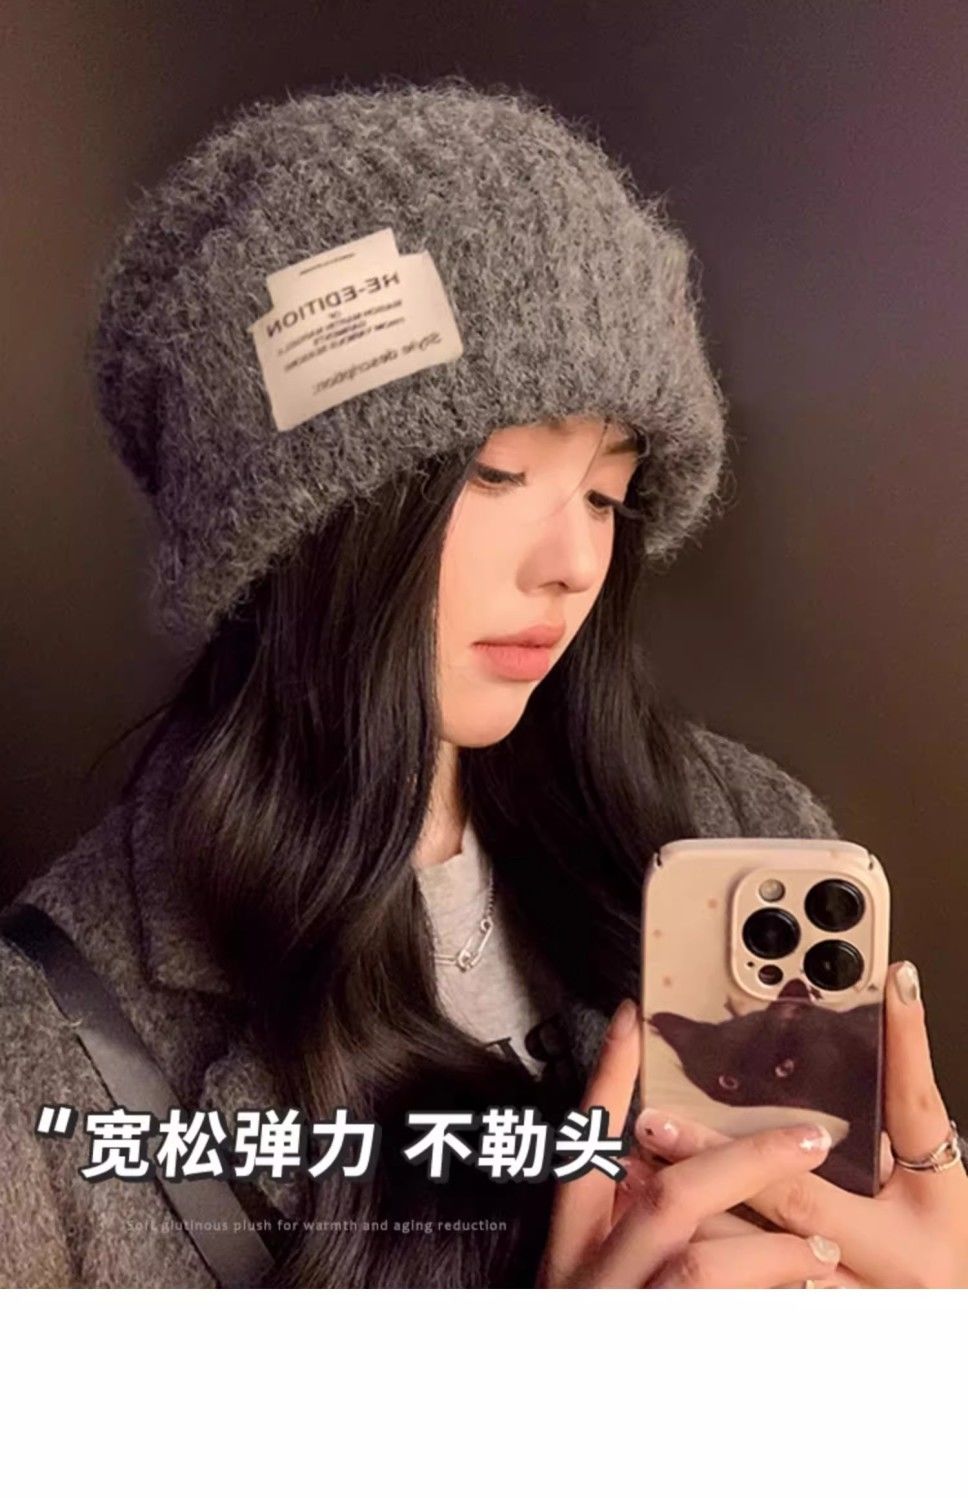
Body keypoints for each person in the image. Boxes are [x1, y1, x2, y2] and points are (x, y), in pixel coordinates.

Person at [1, 78, 965, 1289]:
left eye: (605, 493)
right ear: (294, 523)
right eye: (497, 474)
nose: (572, 564)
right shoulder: (49, 1054)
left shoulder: (744, 840)